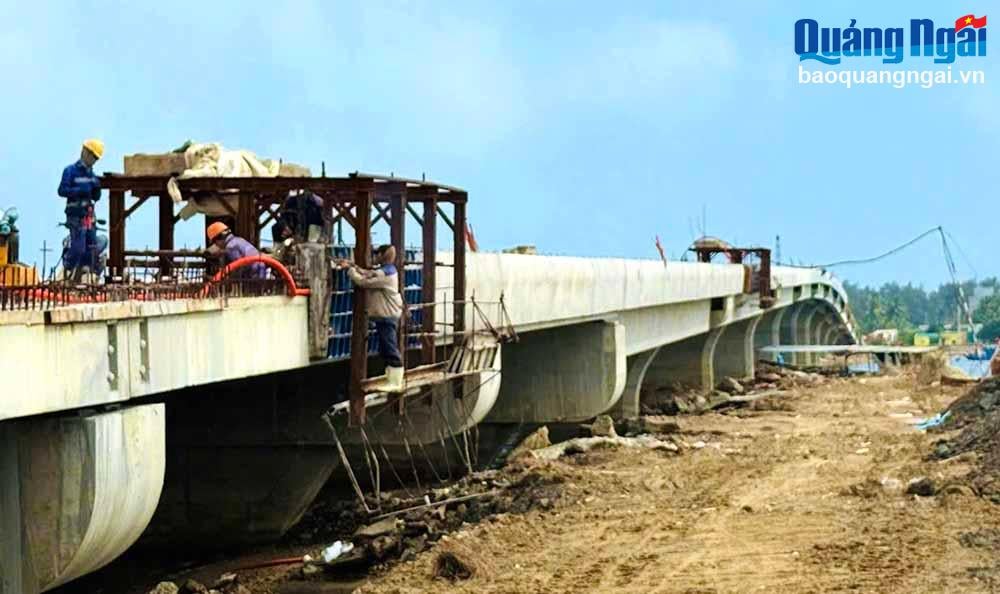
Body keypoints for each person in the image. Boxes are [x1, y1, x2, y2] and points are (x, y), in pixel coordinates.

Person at [339, 245, 405, 390]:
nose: (374, 257)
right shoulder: (388, 270)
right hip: (386, 316)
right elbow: (370, 273)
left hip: (387, 316)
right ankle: (391, 378)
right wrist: (353, 265)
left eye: (376, 254)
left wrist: (349, 270)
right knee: (385, 348)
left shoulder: (385, 274)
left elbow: (363, 282)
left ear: (382, 255)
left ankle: (396, 382)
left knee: (390, 349)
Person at [58, 139, 109, 276]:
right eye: (92, 156)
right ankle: (69, 262)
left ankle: (86, 266)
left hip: (89, 216)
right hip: (75, 216)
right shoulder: (70, 171)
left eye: (95, 159)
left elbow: (95, 197)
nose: (93, 160)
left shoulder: (92, 176)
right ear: (85, 152)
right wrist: (78, 191)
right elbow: (62, 191)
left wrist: (96, 190)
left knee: (95, 244)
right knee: (79, 248)